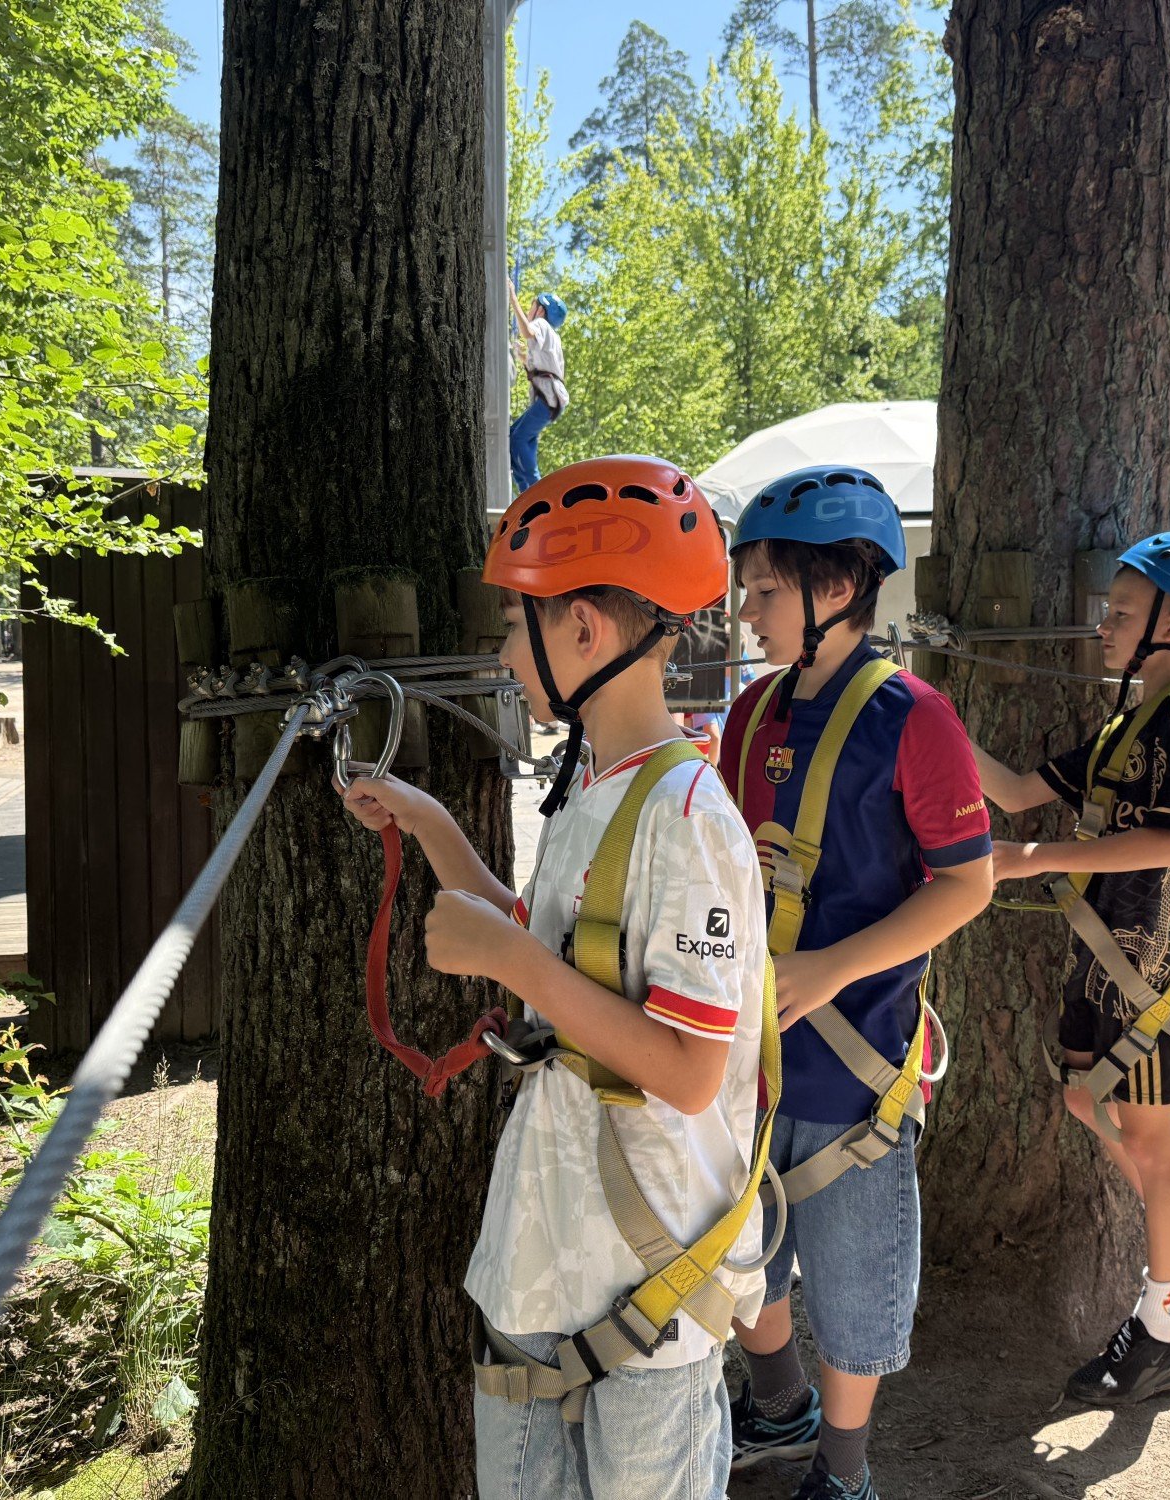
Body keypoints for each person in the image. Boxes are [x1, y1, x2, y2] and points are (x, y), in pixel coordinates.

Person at [342, 455, 771, 1498]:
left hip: (649, 1290)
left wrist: (511, 959)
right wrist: (429, 826)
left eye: (515, 623)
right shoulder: (594, 782)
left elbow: (687, 1072)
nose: (503, 654)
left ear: (582, 629)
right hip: (547, 1258)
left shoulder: (690, 821)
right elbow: (548, 947)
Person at [719, 466, 995, 1500]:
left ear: (835, 590)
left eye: (764, 591)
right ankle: (776, 1402)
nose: (746, 612)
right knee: (744, 1254)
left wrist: (830, 968)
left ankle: (842, 1470)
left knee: (852, 1280)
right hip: (747, 1055)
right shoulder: (749, 714)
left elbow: (965, 884)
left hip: (857, 1063)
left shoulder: (914, 718)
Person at [970, 531, 1170, 1406]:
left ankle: (1164, 1332)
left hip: (1145, 973)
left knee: (1153, 1147)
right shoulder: (1127, 723)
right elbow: (1015, 790)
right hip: (1103, 960)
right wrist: (923, 715)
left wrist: (1029, 860)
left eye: (1122, 612)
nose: (1104, 624)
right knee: (1083, 1100)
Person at [509, 276, 570, 495]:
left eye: (532, 306)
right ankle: (526, 493)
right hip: (550, 399)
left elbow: (527, 331)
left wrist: (512, 297)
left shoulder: (541, 324)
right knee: (515, 436)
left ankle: (536, 491)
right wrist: (522, 357)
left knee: (516, 438)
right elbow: (545, 366)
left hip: (548, 398)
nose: (529, 310)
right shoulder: (552, 335)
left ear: (541, 311)